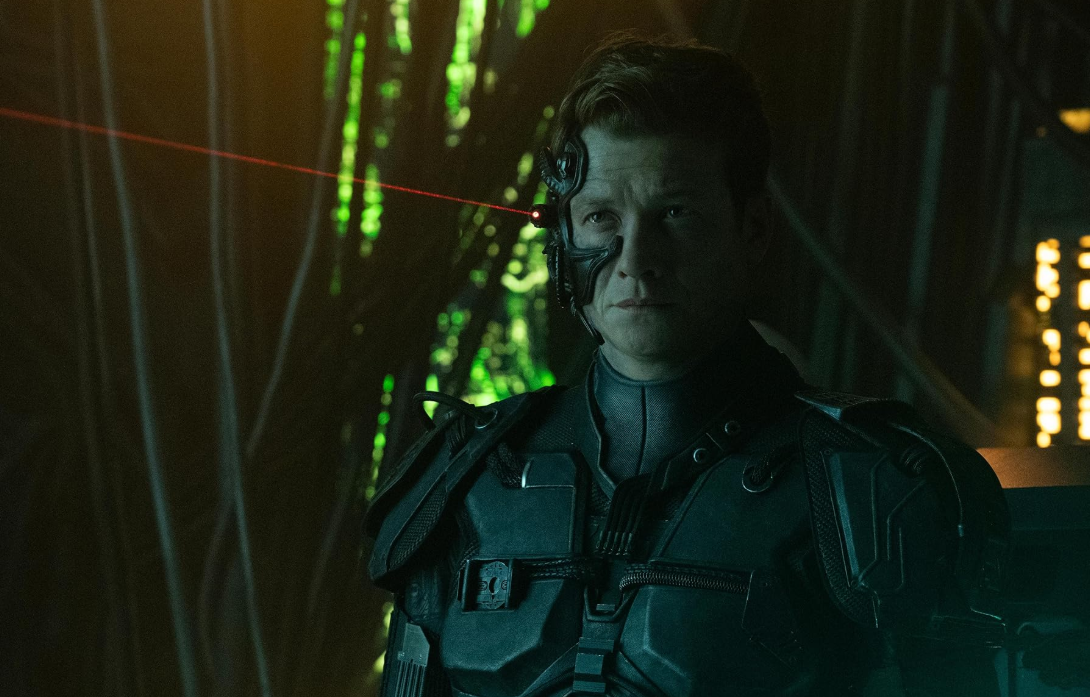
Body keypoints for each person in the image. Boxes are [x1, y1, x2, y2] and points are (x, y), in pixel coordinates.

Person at [365, 34, 1010, 697]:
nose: (635, 260)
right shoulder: (468, 478)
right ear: (563, 236)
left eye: (675, 213)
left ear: (751, 228)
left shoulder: (873, 488)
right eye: (600, 217)